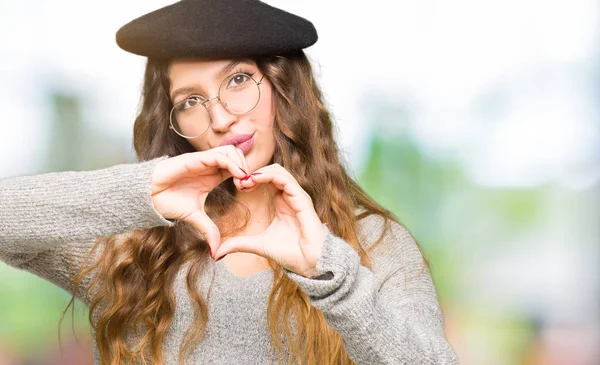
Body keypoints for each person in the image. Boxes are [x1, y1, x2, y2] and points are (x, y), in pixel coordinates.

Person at [0, 0, 459, 364]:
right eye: (190, 101)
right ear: (173, 120)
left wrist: (330, 276)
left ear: (284, 87)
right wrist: (141, 190)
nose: (219, 117)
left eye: (238, 79)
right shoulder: (130, 252)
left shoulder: (373, 246)